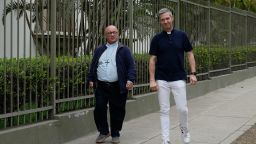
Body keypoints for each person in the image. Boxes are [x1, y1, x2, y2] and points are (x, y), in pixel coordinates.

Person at [149, 8, 197, 144]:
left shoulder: (182, 36)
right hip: (162, 79)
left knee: (182, 109)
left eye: (167, 18)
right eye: (162, 20)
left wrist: (193, 73)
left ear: (172, 18)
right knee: (164, 110)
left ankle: (184, 132)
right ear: (160, 22)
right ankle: (165, 140)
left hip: (178, 78)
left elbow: (190, 54)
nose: (165, 21)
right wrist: (152, 80)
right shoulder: (156, 39)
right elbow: (152, 59)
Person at [87, 25, 136, 144]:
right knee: (99, 109)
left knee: (117, 110)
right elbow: (93, 65)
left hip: (117, 86)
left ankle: (115, 133)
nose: (112, 34)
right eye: (109, 33)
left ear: (118, 34)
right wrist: (90, 79)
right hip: (101, 86)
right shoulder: (99, 49)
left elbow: (131, 66)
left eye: (114, 32)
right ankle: (103, 132)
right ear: (105, 35)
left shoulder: (124, 49)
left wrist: (130, 80)